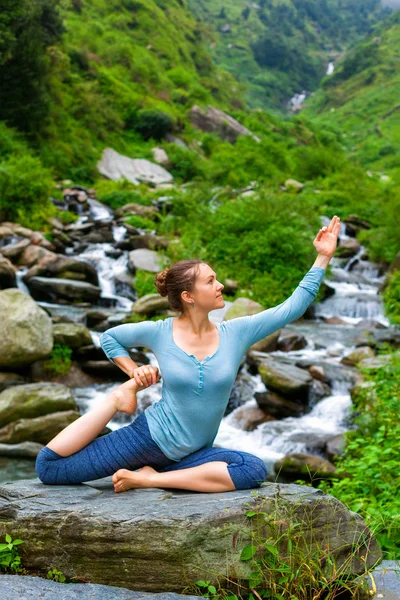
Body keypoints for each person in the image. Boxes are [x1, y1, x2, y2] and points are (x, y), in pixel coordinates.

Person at [35, 216, 340, 493]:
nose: (220, 285)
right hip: (147, 440)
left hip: (191, 454)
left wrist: (323, 256)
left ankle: (147, 478)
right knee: (49, 468)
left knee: (253, 469)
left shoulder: (236, 333)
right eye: (210, 281)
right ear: (188, 296)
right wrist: (132, 372)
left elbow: (292, 307)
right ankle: (116, 399)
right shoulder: (159, 332)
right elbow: (111, 338)